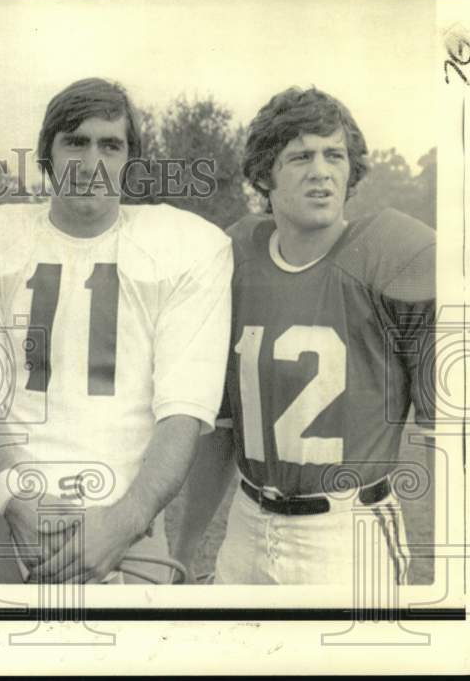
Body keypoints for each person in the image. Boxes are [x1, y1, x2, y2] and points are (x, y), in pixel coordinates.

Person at [0, 78, 232, 584]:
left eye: (110, 145)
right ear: (47, 154)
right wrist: (16, 501)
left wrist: (125, 521)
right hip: (12, 517)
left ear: (129, 160)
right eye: (76, 141)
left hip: (131, 520)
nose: (92, 162)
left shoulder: (189, 249)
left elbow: (182, 411)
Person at [172, 87, 435, 585]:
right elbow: (224, 432)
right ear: (264, 173)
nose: (321, 170)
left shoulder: (392, 251)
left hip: (348, 533)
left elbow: (451, 434)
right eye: (300, 157)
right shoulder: (235, 258)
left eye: (334, 154)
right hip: (248, 526)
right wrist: (184, 551)